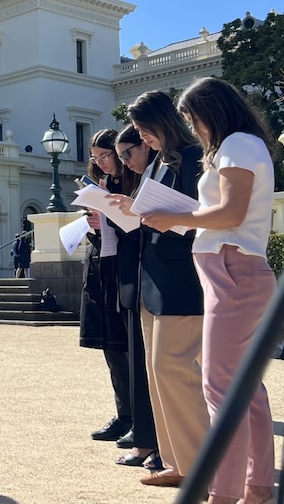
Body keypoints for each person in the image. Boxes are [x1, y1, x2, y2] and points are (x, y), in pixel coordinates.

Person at [141, 77, 277, 504]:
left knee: (221, 389)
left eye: (194, 119)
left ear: (210, 112)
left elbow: (231, 214)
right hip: (235, 269)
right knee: (245, 389)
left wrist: (175, 218)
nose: (193, 129)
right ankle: (257, 492)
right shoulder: (244, 144)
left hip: (231, 270)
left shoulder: (237, 144)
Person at [111, 90, 208, 488]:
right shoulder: (161, 162)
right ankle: (176, 460)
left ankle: (199, 464)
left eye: (144, 129)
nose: (141, 136)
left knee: (174, 369)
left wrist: (156, 215)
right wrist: (128, 208)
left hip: (180, 275)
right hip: (152, 273)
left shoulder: (188, 157)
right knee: (158, 372)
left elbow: (200, 216)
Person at [106, 126, 160, 470]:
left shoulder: (164, 168)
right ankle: (146, 440)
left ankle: (156, 444)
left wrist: (130, 211)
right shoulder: (149, 172)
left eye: (127, 153)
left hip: (155, 276)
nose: (124, 162)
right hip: (137, 275)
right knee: (143, 364)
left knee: (158, 367)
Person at [80, 129, 132, 444]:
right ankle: (123, 413)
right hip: (102, 266)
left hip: (123, 269)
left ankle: (137, 416)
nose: (101, 164)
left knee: (127, 346)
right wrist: (93, 226)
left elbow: (138, 228)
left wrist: (108, 221)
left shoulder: (131, 182)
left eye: (105, 156)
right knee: (111, 346)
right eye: (96, 159)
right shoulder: (103, 184)